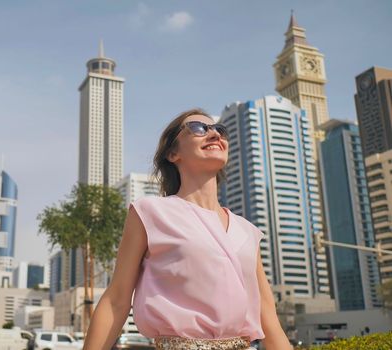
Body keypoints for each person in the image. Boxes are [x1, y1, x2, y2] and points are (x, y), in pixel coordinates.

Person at [83, 109, 292, 350]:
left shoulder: (247, 231)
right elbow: (116, 301)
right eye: (198, 128)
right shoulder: (150, 212)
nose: (214, 134)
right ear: (173, 153)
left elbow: (268, 315)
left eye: (219, 130)